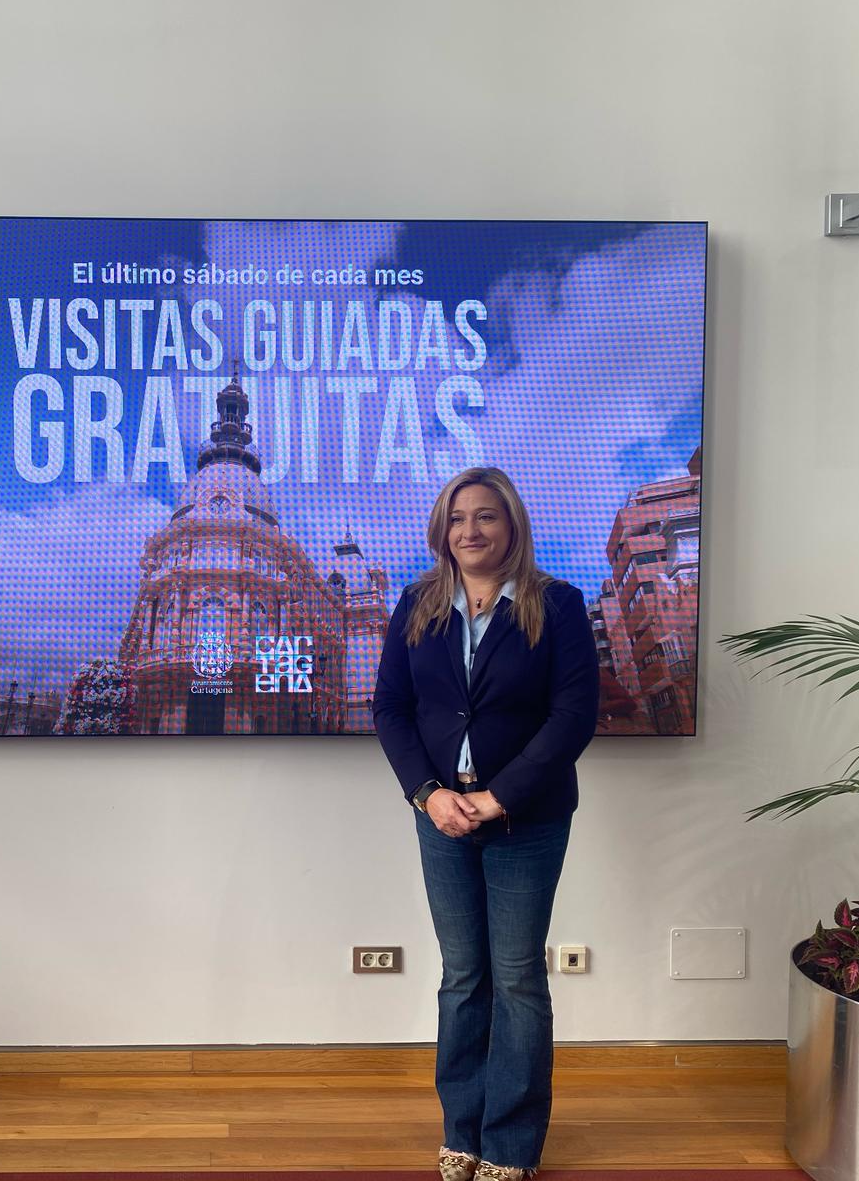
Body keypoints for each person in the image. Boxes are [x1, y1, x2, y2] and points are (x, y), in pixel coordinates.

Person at [371, 466, 600, 1181]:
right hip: (440, 816)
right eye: (458, 517)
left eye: (486, 517)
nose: (471, 530)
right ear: (442, 530)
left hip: (524, 819)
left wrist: (500, 797)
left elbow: (573, 717)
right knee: (463, 977)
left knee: (519, 978)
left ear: (511, 525)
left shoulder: (555, 604)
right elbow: (392, 710)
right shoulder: (416, 605)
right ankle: (461, 1132)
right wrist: (428, 794)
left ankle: (510, 1144)